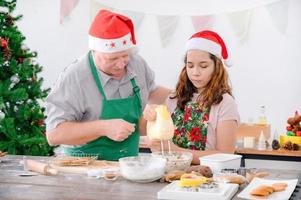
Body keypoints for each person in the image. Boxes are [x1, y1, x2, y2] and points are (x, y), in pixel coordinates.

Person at [45, 10, 170, 161]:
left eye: (125, 56)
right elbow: (54, 135)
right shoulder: (74, 78)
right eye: (112, 58)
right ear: (94, 51)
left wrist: (182, 97)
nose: (121, 64)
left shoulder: (137, 63)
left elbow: (152, 92)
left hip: (129, 164)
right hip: (84, 167)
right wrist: (103, 128)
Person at [143, 30, 240, 164]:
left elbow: (225, 155)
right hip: (172, 175)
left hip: (208, 179)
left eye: (203, 66)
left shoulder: (225, 103)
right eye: (190, 65)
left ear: (217, 67)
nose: (195, 72)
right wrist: (152, 119)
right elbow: (160, 144)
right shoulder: (174, 98)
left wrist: (176, 151)